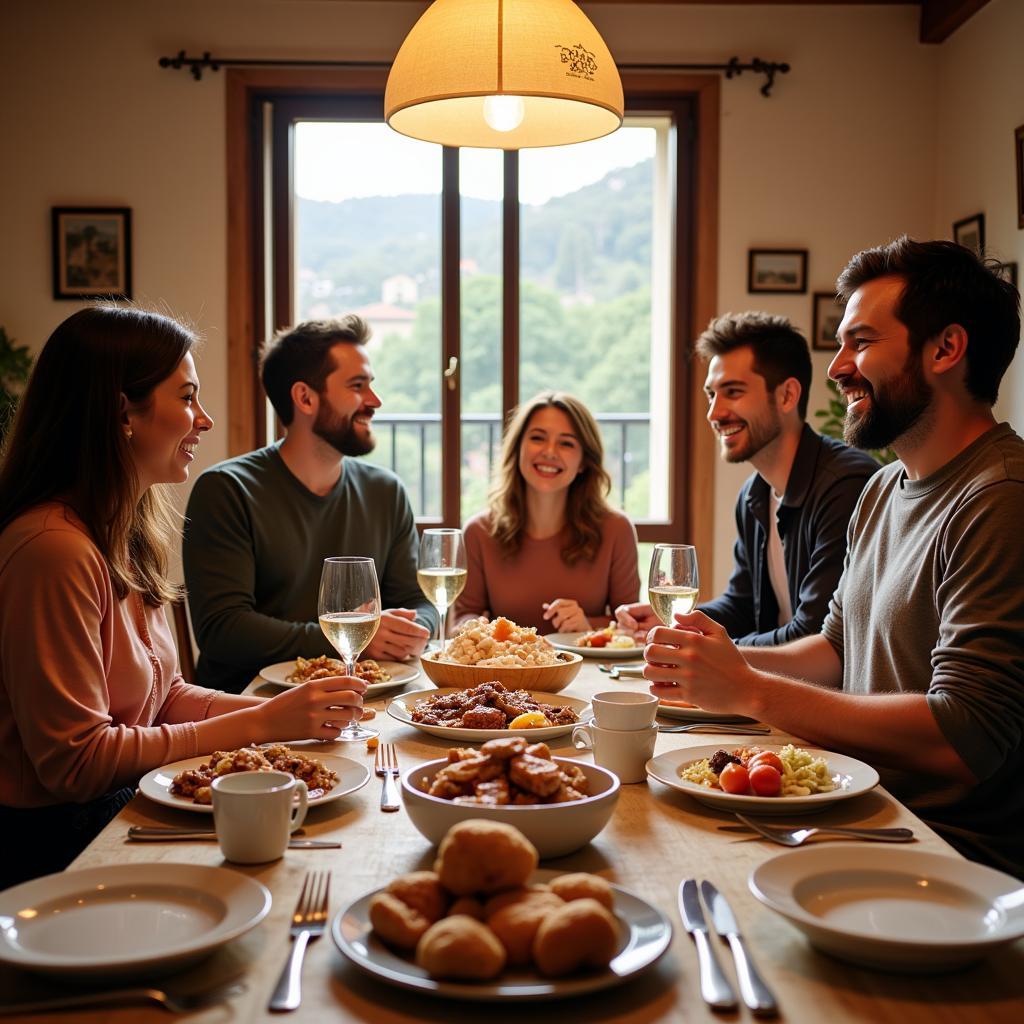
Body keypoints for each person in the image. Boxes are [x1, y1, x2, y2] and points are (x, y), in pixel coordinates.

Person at [643, 238, 1024, 876]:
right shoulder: (882, 488)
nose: (837, 366)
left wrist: (751, 690)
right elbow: (833, 652)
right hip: (860, 806)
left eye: (863, 342)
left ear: (945, 349)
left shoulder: (1000, 497)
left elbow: (966, 735)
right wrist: (709, 666)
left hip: (947, 853)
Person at [0, 307, 368, 887]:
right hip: (56, 848)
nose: (205, 419)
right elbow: (74, 762)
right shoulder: (53, 550)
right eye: (188, 398)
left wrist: (295, 718)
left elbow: (162, 695)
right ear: (123, 412)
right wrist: (262, 723)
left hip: (122, 807)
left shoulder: (121, 531)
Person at [183, 315, 437, 693]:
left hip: (368, 700)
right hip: (251, 712)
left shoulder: (386, 491)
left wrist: (412, 630)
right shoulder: (226, 490)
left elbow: (418, 600)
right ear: (304, 397)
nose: (375, 401)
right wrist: (351, 635)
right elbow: (223, 630)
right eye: (357, 386)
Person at [617, 312, 878, 644]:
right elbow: (741, 606)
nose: (714, 413)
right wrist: (678, 621)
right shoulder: (754, 495)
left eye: (733, 392)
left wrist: (713, 651)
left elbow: (815, 636)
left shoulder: (845, 485)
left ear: (787, 396)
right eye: (712, 395)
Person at [454, 391, 639, 633]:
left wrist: (588, 626)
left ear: (584, 461)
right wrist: (476, 628)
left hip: (587, 670)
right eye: (538, 438)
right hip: (503, 670)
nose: (550, 451)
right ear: (517, 448)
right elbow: (460, 620)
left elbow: (632, 626)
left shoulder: (616, 529)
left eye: (566, 443)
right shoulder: (478, 532)